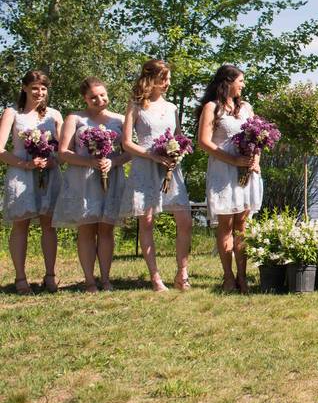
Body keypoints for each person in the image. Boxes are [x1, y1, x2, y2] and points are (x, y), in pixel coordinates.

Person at [120, 59, 192, 292]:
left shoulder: (171, 108)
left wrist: (178, 152)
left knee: (185, 221)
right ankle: (155, 277)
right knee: (147, 221)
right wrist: (152, 155)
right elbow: (127, 143)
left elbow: (179, 136)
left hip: (170, 168)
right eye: (164, 78)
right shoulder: (135, 105)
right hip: (145, 166)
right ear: (150, 78)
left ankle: (182, 273)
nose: (168, 83)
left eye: (169, 78)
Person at [54, 77, 130, 292]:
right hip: (82, 180)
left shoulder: (119, 119)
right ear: (85, 99)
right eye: (93, 97)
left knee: (106, 230)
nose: (99, 100)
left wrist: (113, 161)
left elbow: (129, 152)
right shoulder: (75, 118)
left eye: (102, 95)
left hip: (111, 177)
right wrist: (90, 161)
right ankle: (89, 280)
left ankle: (105, 279)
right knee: (86, 230)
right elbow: (64, 152)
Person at [197, 65, 262, 293]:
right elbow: (204, 141)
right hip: (223, 171)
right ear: (228, 81)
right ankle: (228, 276)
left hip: (245, 172)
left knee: (242, 224)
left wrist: (256, 159)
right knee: (226, 224)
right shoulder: (211, 107)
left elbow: (258, 137)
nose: (243, 85)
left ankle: (243, 276)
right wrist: (232, 160)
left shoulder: (245, 107)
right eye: (241, 81)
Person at [0, 70, 63, 294]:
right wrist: (25, 164)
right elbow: (0, 150)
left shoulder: (54, 115)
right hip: (21, 173)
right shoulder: (12, 113)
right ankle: (20, 278)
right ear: (25, 88)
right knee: (21, 226)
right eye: (35, 87)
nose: (39, 92)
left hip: (49, 173)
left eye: (44, 88)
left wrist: (53, 160)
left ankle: (50, 275)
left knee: (49, 224)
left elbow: (63, 148)